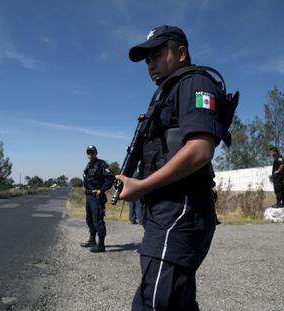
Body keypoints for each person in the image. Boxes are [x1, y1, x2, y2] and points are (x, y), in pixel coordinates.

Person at [115, 25, 234, 310]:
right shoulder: (169, 91)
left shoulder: (194, 83)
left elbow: (201, 149)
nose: (151, 64)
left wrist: (142, 186)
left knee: (157, 303)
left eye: (157, 55)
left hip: (181, 208)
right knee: (175, 299)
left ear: (180, 53)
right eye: (147, 60)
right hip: (165, 210)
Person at [81, 145, 114, 252]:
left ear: (96, 153)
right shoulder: (89, 165)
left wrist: (101, 190)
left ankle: (101, 245)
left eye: (92, 152)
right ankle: (92, 240)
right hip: (89, 195)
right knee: (89, 219)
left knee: (97, 220)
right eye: (88, 152)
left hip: (97, 196)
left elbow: (110, 178)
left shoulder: (101, 164)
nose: (90, 154)